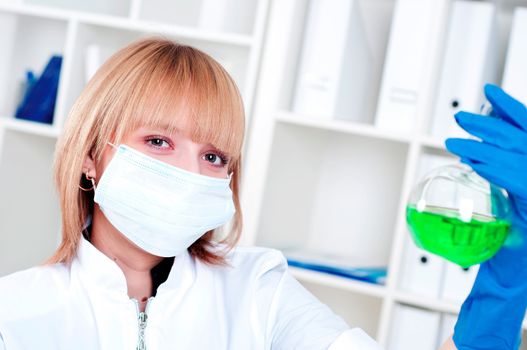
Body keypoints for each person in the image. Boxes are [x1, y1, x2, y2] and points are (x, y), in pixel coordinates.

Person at [0, 38, 525, 350]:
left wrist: (501, 293)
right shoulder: (16, 313)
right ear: (91, 156)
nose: (191, 173)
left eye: (214, 157)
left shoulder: (257, 291)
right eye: (158, 141)